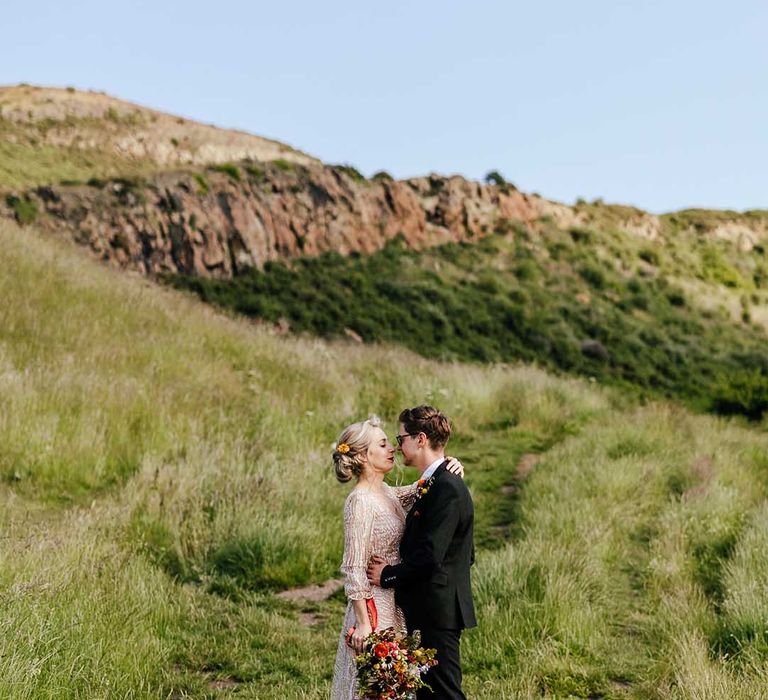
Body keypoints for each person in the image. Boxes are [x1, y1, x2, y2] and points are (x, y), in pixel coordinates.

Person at [329, 415, 465, 700]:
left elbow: (427, 487)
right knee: (377, 685)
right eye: (383, 444)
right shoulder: (360, 501)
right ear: (364, 456)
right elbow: (353, 568)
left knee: (398, 683)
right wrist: (364, 623)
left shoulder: (387, 492)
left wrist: (449, 464)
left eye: (393, 442)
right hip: (375, 604)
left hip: (396, 601)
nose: (392, 448)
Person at [367, 405, 476, 700]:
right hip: (431, 608)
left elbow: (430, 555)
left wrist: (387, 575)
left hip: (438, 612)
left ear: (421, 439)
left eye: (400, 438)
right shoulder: (436, 482)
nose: (397, 445)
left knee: (444, 693)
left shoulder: (447, 487)